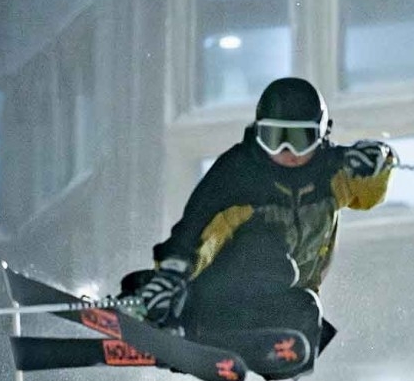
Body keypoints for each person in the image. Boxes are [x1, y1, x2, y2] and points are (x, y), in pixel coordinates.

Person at [125, 76, 395, 364]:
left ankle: (277, 355)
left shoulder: (331, 172)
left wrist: (377, 160)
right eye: (275, 139)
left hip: (275, 304)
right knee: (271, 258)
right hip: (220, 293)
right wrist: (171, 276)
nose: (287, 152)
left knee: (307, 309)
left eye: (300, 140)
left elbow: (368, 194)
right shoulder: (240, 174)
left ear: (320, 136)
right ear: (258, 133)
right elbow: (197, 231)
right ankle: (166, 310)